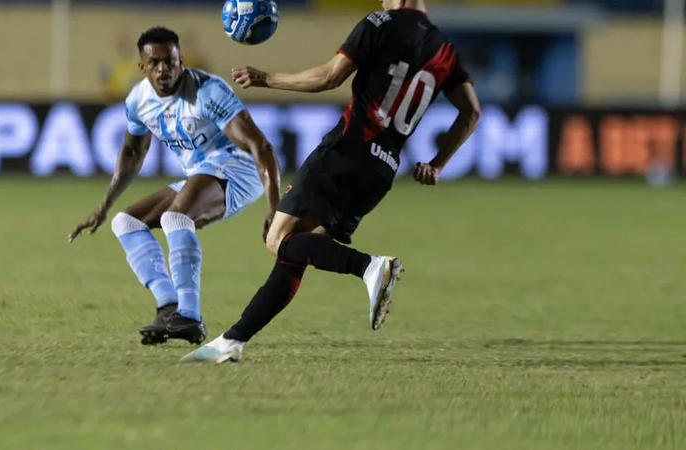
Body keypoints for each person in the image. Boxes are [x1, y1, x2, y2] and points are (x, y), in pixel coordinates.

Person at [181, 0, 481, 363]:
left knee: (278, 240)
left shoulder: (381, 22)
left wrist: (266, 79)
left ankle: (370, 267)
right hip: (382, 170)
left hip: (347, 151)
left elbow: (330, 77)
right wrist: (437, 164)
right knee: (298, 252)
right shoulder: (445, 50)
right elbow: (471, 111)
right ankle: (232, 342)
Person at [68, 27, 281, 347]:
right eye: (154, 63)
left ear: (181, 59)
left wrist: (274, 207)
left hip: (239, 169)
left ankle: (190, 318)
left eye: (170, 61)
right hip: (201, 172)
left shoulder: (207, 91)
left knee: (174, 218)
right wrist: (104, 206)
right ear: (142, 66)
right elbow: (132, 152)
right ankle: (169, 308)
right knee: (126, 223)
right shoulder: (138, 101)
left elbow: (260, 146)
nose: (163, 69)